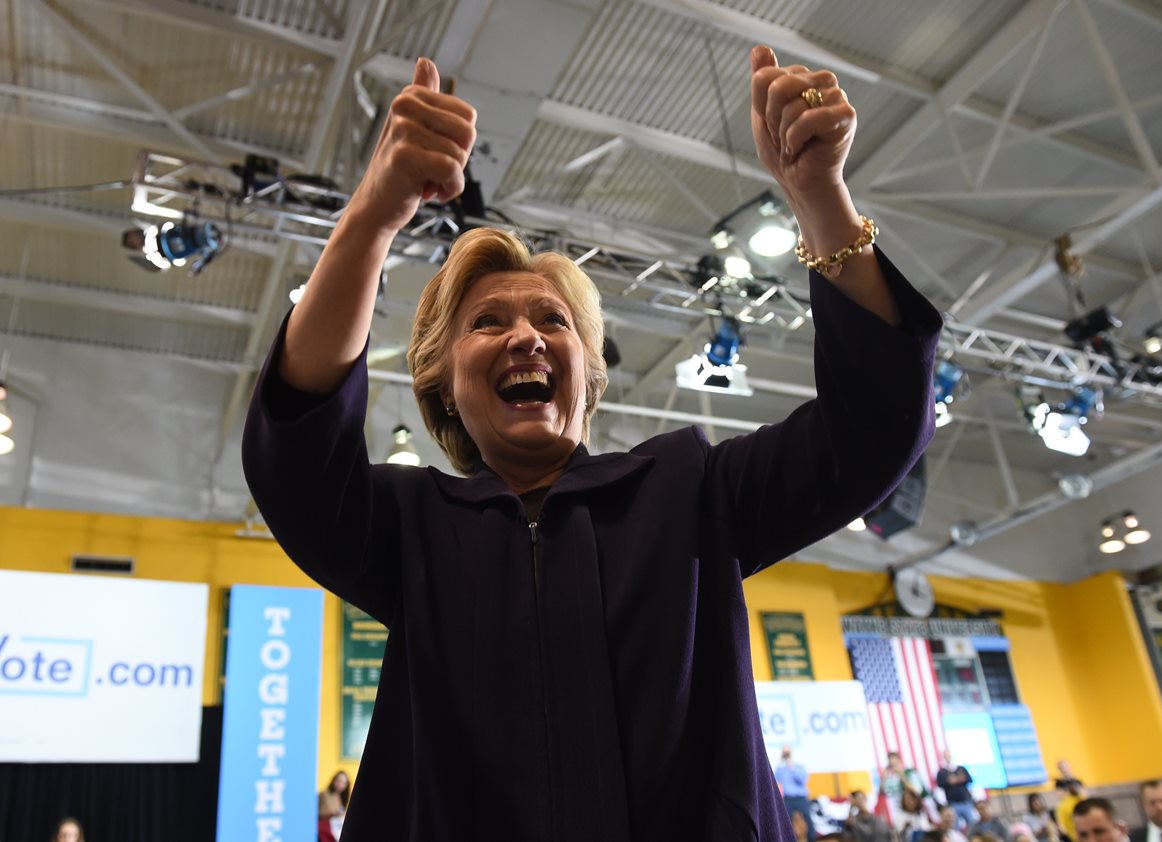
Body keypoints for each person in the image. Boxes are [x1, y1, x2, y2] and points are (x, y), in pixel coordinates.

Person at [242, 43, 940, 841]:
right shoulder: (407, 528)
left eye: (553, 321)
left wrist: (820, 196)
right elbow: (293, 448)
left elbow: (876, 425)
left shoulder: (692, 491)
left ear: (591, 377)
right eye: (488, 322)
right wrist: (371, 214)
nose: (527, 339)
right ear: (438, 379)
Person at [776, 746, 816, 842]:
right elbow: (777, 778)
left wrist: (791, 766)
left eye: (787, 753)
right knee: (785, 821)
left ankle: (812, 839)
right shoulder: (781, 769)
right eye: (785, 753)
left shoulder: (799, 767)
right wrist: (781, 761)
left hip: (800, 799)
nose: (786, 755)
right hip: (788, 799)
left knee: (808, 820)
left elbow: (802, 780)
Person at [938, 751, 978, 829]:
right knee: (954, 826)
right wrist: (949, 781)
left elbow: (970, 780)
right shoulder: (942, 772)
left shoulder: (961, 769)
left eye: (949, 755)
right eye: (946, 756)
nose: (948, 758)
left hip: (965, 801)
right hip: (953, 804)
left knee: (972, 824)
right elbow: (940, 784)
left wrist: (960, 779)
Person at [319, 770, 352, 841]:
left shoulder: (341, 797)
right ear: (334, 780)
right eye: (339, 781)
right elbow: (319, 814)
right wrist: (334, 814)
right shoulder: (324, 795)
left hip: (336, 828)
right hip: (325, 829)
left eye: (344, 783)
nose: (341, 784)